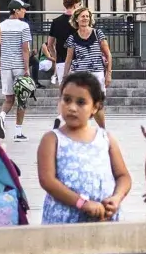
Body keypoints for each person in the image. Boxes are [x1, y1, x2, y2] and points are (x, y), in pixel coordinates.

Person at [37, 72, 131, 223]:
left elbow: (123, 176)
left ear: (95, 107)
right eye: (67, 100)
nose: (72, 107)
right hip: (64, 222)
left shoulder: (105, 138)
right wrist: (82, 203)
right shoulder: (52, 139)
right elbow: (47, 180)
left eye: (81, 102)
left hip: (104, 220)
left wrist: (116, 198)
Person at [61, 8, 113, 127]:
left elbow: (108, 54)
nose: (85, 18)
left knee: (97, 104)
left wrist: (108, 73)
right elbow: (68, 59)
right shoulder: (72, 38)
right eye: (82, 16)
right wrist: (65, 76)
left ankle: (102, 130)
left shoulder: (97, 33)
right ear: (76, 19)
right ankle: (81, 130)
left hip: (96, 74)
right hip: (79, 75)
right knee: (80, 102)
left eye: (87, 16)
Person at [0, 0, 34, 141]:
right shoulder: (23, 26)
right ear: (16, 10)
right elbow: (25, 49)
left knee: (9, 98)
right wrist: (26, 68)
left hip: (5, 65)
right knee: (22, 99)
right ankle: (18, 132)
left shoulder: (0, 26)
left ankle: (1, 116)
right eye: (23, 9)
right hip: (19, 66)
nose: (25, 11)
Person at [45, 0, 82, 86]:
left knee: (64, 91)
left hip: (61, 60)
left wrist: (55, 56)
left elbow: (50, 44)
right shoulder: (79, 21)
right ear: (75, 5)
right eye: (79, 4)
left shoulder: (56, 22)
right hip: (79, 60)